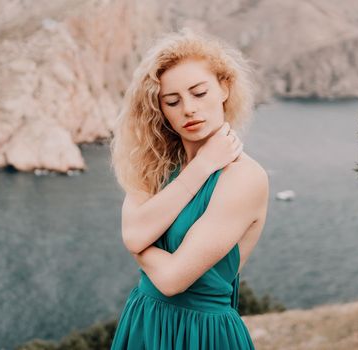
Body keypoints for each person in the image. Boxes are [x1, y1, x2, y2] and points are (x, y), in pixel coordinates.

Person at [108, 28, 269, 349]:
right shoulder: (153, 163)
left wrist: (138, 247)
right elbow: (134, 235)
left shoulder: (244, 178)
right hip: (144, 320)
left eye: (199, 93)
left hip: (202, 334)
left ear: (224, 88)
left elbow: (171, 280)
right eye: (172, 101)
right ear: (161, 109)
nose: (189, 109)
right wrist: (201, 166)